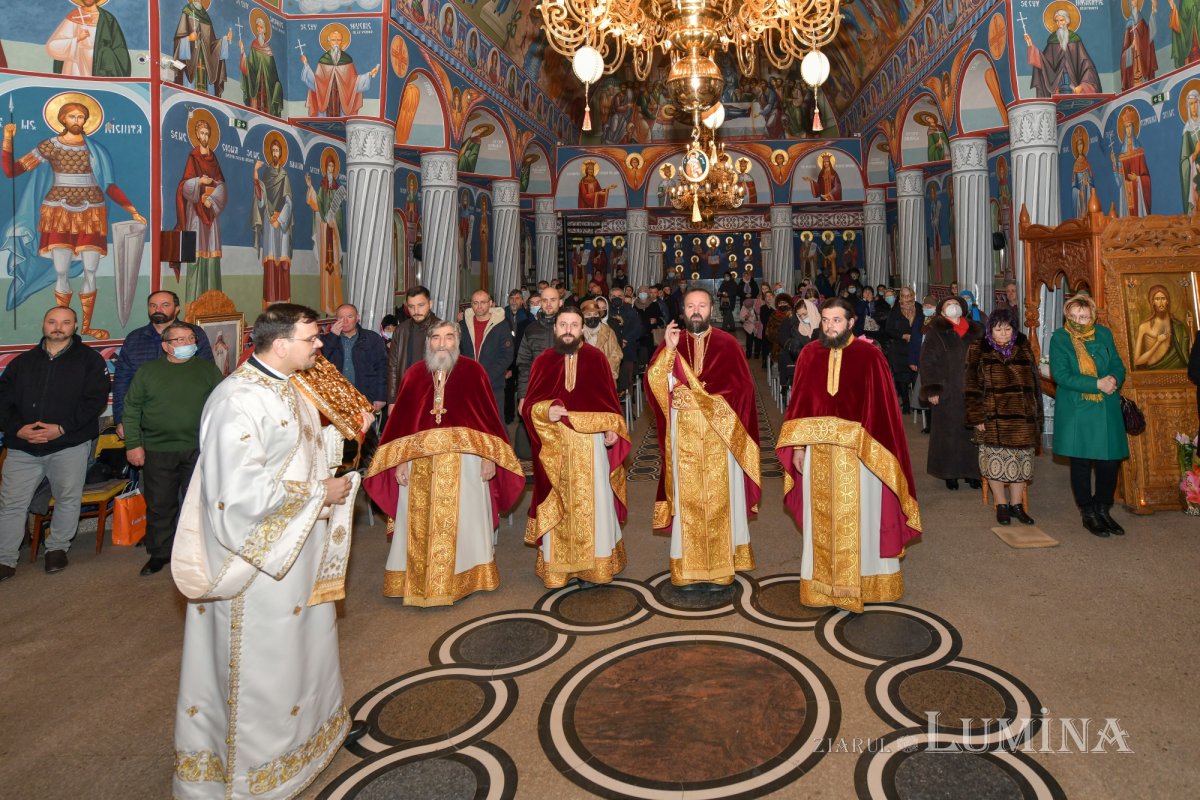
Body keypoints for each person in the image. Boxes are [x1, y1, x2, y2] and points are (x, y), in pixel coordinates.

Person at [172, 303, 362, 799]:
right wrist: (323, 493)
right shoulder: (235, 399)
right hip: (257, 561)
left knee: (302, 649)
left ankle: (304, 744)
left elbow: (296, 450)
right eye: (310, 338)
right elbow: (237, 495)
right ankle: (251, 775)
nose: (319, 345)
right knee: (264, 663)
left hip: (295, 549)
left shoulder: (289, 384)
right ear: (280, 345)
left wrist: (335, 438)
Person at [776, 298, 922, 612]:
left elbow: (884, 412)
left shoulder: (870, 356)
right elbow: (799, 404)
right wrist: (799, 448)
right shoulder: (809, 354)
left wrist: (873, 450)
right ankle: (822, 584)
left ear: (852, 322)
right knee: (821, 519)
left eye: (837, 321)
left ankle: (867, 581)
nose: (829, 327)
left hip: (861, 457)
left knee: (864, 518)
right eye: (825, 320)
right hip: (819, 454)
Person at [364, 321, 524, 605]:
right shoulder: (414, 374)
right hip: (418, 464)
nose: (441, 343)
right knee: (417, 523)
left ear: (457, 341)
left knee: (466, 521)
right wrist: (400, 462)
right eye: (436, 338)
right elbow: (401, 425)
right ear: (429, 342)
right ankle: (418, 581)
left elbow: (488, 420)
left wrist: (489, 457)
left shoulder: (474, 372)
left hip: (466, 463)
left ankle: (468, 577)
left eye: (448, 337)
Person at [645, 287, 760, 589]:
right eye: (690, 306)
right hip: (683, 433)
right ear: (682, 310)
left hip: (720, 436)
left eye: (702, 305)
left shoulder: (728, 343)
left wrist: (713, 405)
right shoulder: (672, 341)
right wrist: (668, 351)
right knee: (688, 501)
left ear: (712, 309)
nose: (696, 311)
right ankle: (689, 567)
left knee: (721, 501)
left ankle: (721, 568)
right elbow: (654, 386)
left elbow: (744, 390)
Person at [2, 98, 146, 339]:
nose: (77, 121)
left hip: (92, 211)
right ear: (62, 119)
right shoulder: (50, 146)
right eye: (72, 116)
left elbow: (109, 185)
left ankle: (86, 326)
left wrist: (131, 209)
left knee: (91, 270)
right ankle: (65, 328)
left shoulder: (95, 150)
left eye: (81, 117)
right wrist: (7, 139)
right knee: (62, 272)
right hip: (58, 210)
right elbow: (12, 171)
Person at [521, 308, 630, 588]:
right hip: (554, 447)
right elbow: (530, 407)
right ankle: (559, 569)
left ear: (582, 329)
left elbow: (609, 404)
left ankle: (595, 565)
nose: (568, 329)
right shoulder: (543, 362)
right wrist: (547, 411)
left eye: (574, 325)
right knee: (559, 502)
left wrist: (610, 430)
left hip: (590, 447)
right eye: (563, 324)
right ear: (555, 329)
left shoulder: (597, 359)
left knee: (594, 502)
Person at [0, 307, 110, 581]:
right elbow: (3, 400)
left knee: (67, 499)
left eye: (65, 322)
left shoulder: (90, 361)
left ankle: (57, 548)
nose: (58, 327)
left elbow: (94, 401)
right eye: (52, 321)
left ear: (75, 326)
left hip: (68, 445)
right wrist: (19, 429)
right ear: (43, 324)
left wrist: (60, 429)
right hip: (23, 446)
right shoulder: (21, 362)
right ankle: (5, 559)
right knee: (12, 504)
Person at [122, 322, 223, 576]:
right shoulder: (148, 372)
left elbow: (222, 404)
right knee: (160, 504)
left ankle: (199, 552)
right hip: (157, 449)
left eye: (191, 338)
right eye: (180, 340)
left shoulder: (207, 369)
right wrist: (133, 445)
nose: (188, 343)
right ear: (166, 345)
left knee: (199, 503)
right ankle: (160, 553)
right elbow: (132, 408)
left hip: (198, 448)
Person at [1049, 294, 1130, 537]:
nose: (1078, 321)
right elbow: (1061, 375)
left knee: (1109, 462)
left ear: (1092, 316)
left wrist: (1114, 378)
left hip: (1106, 407)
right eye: (1073, 316)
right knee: (1081, 463)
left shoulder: (1104, 334)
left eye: (1083, 316)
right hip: (1078, 408)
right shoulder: (1060, 338)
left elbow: (1117, 363)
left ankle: (1103, 508)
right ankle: (1088, 512)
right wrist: (1097, 384)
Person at [963, 307, 1043, 526]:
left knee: (1021, 464)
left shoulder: (1024, 347)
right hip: (993, 417)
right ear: (991, 330)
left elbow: (1035, 384)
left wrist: (1036, 415)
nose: (1004, 333)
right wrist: (977, 416)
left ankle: (1017, 505)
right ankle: (1001, 505)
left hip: (1023, 416)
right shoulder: (978, 349)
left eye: (1008, 329)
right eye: (999, 329)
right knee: (995, 463)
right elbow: (971, 385)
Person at [113, 291, 212, 437]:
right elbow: (122, 382)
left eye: (165, 305)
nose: (157, 310)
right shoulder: (134, 339)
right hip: (145, 422)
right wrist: (121, 419)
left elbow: (208, 375)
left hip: (189, 419)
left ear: (177, 309)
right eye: (153, 305)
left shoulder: (193, 335)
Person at [920, 295, 984, 490]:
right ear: (941, 311)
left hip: (973, 389)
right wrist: (932, 389)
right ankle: (950, 473)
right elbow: (927, 362)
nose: (953, 307)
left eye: (956, 304)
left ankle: (973, 472)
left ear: (963, 308)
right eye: (948, 305)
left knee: (972, 431)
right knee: (948, 433)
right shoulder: (935, 331)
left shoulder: (976, 330)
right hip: (947, 389)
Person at [175, 113, 227, 303]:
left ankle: (213, 303)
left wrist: (211, 201)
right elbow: (183, 185)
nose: (204, 137)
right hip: (195, 213)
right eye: (202, 133)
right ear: (197, 135)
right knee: (196, 255)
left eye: (207, 133)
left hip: (210, 213)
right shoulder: (193, 157)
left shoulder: (214, 160)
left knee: (212, 255)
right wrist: (199, 181)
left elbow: (222, 185)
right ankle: (194, 304)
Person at [251, 134, 294, 307]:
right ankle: (270, 300)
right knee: (270, 261)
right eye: (273, 150)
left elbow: (289, 201)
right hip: (269, 222)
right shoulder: (267, 175)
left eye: (278, 150)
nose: (275, 153)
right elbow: (261, 200)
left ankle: (284, 301)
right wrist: (255, 174)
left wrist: (281, 219)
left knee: (282, 262)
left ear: (281, 153)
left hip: (281, 225)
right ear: (270, 153)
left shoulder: (285, 176)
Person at [320, 303, 388, 413]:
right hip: (337, 400)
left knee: (367, 429)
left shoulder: (372, 338)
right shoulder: (327, 340)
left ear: (358, 318)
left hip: (366, 398)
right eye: (341, 318)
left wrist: (381, 396)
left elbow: (382, 368)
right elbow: (321, 364)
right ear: (336, 320)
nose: (345, 321)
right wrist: (332, 337)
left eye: (350, 317)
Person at [301, 25, 379, 116]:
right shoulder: (323, 60)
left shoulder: (347, 59)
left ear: (342, 41)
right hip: (327, 99)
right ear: (329, 41)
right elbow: (316, 82)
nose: (336, 43)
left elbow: (354, 82)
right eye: (333, 40)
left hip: (342, 99)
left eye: (338, 40)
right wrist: (306, 65)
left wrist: (369, 74)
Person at [459, 289, 514, 415]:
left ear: (490, 303)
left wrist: (485, 376)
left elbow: (506, 355)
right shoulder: (463, 325)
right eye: (475, 303)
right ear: (471, 304)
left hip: (493, 384)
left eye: (483, 302)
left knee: (494, 423)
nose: (479, 306)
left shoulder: (502, 325)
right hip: (469, 384)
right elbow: (458, 353)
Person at [1025, 8, 1101, 96]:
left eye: (1061, 20)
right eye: (1057, 21)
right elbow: (1044, 62)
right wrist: (1031, 46)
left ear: (1067, 21)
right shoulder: (1053, 40)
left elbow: (1086, 64)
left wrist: (1083, 85)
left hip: (1073, 82)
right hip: (1057, 83)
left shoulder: (1075, 40)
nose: (1059, 24)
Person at [304, 151, 345, 315]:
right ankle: (327, 306)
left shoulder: (336, 189)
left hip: (333, 233)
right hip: (323, 231)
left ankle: (337, 304)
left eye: (332, 166)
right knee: (325, 268)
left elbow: (339, 214)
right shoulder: (321, 187)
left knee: (334, 266)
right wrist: (310, 187)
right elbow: (317, 205)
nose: (330, 168)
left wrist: (334, 220)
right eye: (328, 166)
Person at [46, 0, 132, 77]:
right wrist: (77, 39)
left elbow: (119, 49)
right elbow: (52, 46)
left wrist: (106, 55)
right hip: (75, 66)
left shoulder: (107, 19)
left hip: (99, 67)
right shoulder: (73, 16)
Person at [387, 286, 440, 408]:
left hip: (433, 395)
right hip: (406, 393)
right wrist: (392, 400)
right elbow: (393, 367)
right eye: (411, 306)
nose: (416, 310)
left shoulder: (442, 329)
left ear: (430, 304)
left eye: (421, 305)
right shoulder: (401, 330)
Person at [172, 0, 231, 95]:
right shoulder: (187, 11)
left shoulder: (206, 18)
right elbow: (179, 37)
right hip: (191, 58)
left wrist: (224, 40)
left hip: (206, 59)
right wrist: (188, 38)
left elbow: (212, 44)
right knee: (189, 90)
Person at [1132, 284, 1190, 369]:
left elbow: (1188, 353)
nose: (1161, 303)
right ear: (1152, 302)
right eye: (1157, 299)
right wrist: (1158, 342)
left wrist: (1191, 328)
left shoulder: (1178, 325)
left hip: (1178, 370)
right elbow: (1137, 361)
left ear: (1167, 301)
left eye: (1163, 298)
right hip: (1153, 371)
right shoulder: (1144, 327)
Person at [238, 10, 283, 116]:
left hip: (267, 88)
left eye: (261, 27)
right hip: (256, 85)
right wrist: (242, 52)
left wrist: (276, 86)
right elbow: (249, 67)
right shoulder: (254, 46)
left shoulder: (269, 50)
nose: (259, 29)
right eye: (257, 27)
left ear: (265, 30)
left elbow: (273, 73)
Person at [884, 287, 921, 413]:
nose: (906, 298)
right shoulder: (896, 309)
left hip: (915, 348)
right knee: (902, 377)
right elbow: (889, 328)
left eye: (908, 295)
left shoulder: (919, 307)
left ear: (913, 295)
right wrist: (902, 336)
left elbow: (923, 325)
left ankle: (919, 404)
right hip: (899, 348)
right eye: (903, 296)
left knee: (916, 377)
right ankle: (906, 403)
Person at [581, 299, 622, 380]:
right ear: (583, 316)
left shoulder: (608, 331)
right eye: (588, 314)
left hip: (605, 376)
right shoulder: (578, 333)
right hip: (583, 377)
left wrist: (607, 372)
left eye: (595, 314)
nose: (592, 317)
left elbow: (616, 353)